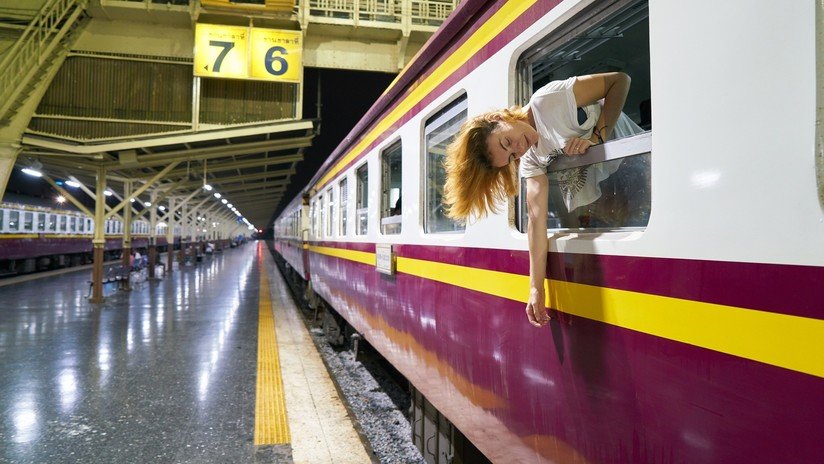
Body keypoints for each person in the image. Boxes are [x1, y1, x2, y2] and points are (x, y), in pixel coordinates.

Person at [443, 72, 636, 328]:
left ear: (497, 118)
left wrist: (597, 137)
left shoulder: (547, 100)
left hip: (636, 170)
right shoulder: (532, 159)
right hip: (618, 189)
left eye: (507, 141)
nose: (519, 149)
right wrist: (536, 288)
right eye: (511, 156)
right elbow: (536, 220)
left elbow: (620, 81)